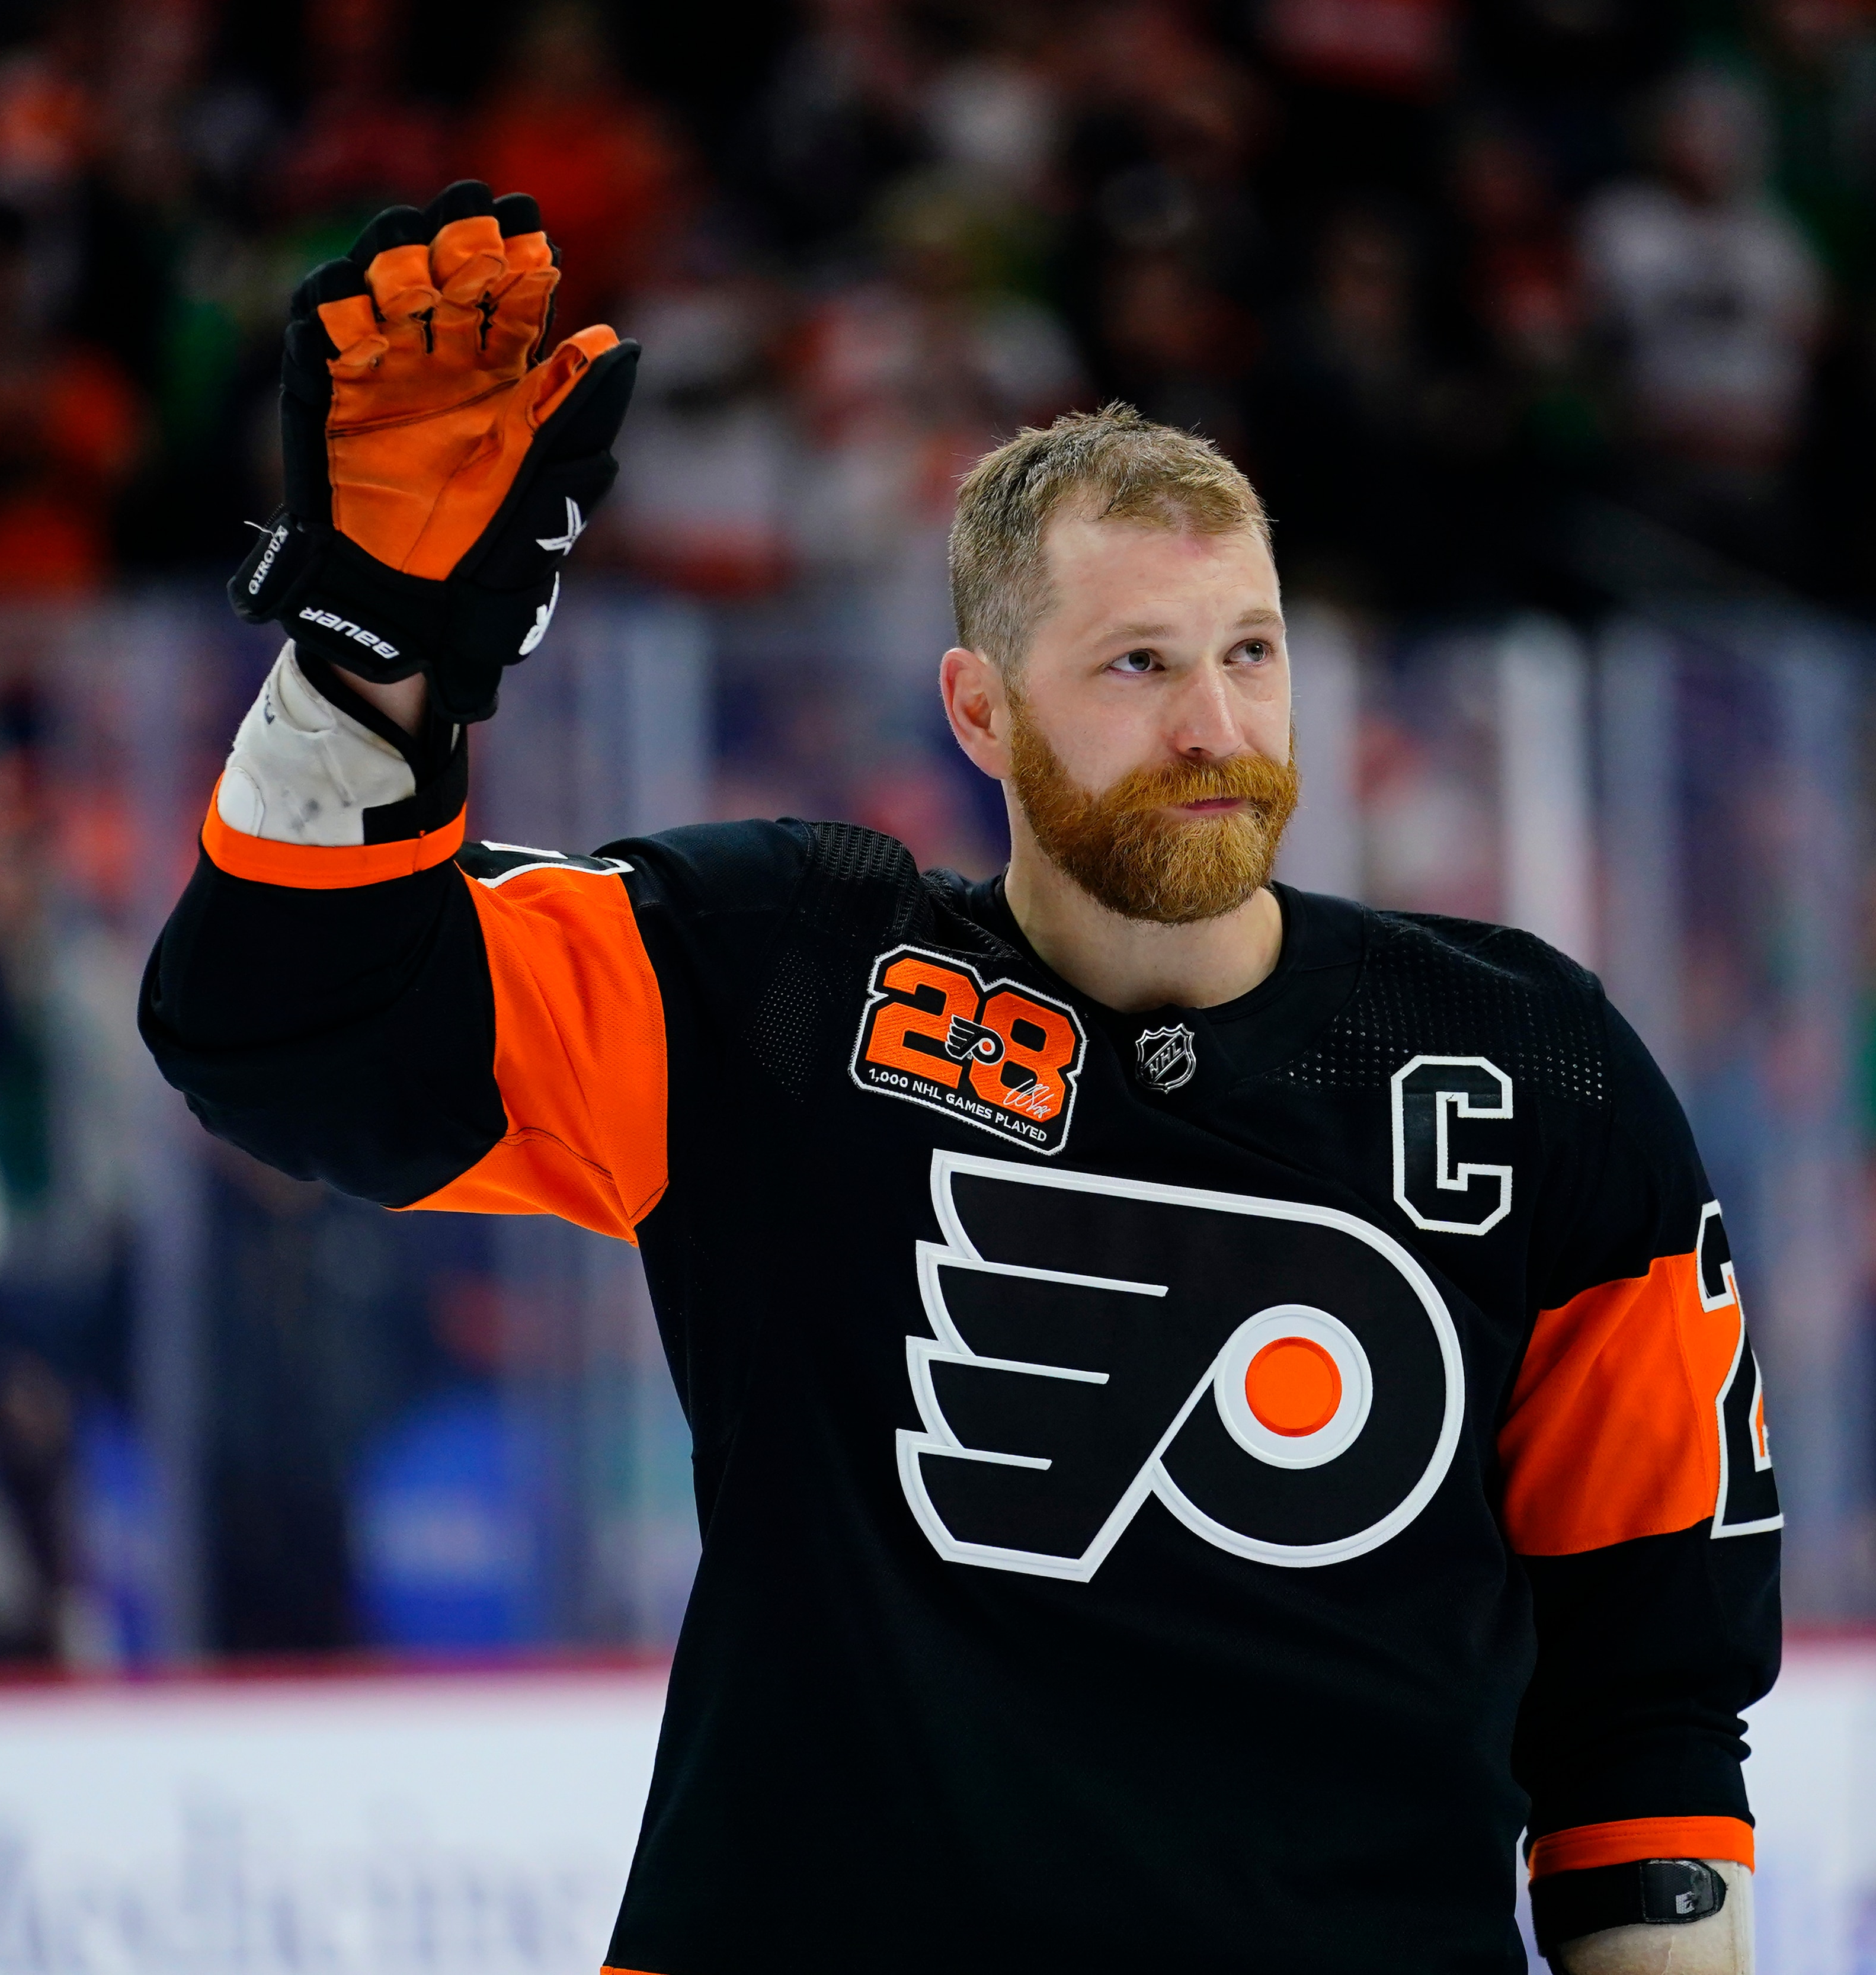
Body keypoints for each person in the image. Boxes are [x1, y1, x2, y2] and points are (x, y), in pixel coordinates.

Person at [140, 182, 1777, 1975]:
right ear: (980, 711)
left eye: (1251, 654)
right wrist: (371, 666)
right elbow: (288, 1032)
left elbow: (1648, 1719)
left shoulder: (1531, 1070)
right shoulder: (779, 975)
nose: (1215, 730)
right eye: (1137, 666)